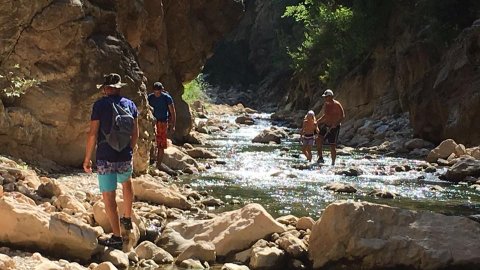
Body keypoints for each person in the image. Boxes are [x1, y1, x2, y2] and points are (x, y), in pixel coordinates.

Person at [83, 73, 139, 249]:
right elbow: (135, 132)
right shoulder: (130, 104)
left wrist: (87, 159)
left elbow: (93, 133)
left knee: (109, 195)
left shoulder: (100, 105)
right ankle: (127, 218)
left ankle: (116, 237)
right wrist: (130, 149)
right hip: (125, 154)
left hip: (106, 155)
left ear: (106, 88)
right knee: (126, 183)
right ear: (119, 87)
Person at [147, 82, 176, 168]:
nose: (157, 94)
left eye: (158, 92)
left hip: (163, 122)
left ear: (162, 90)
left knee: (161, 144)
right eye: (155, 92)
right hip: (152, 122)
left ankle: (158, 165)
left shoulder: (167, 98)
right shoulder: (150, 97)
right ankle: (150, 162)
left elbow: (173, 112)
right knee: (150, 141)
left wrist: (173, 125)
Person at [316, 89, 345, 165]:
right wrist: (317, 121)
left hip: (335, 127)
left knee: (332, 145)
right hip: (326, 125)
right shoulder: (326, 104)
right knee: (318, 139)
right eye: (324, 97)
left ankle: (333, 163)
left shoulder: (337, 104)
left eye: (326, 97)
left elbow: (342, 116)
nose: (325, 98)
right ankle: (320, 157)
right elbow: (325, 116)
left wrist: (336, 124)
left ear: (331, 96)